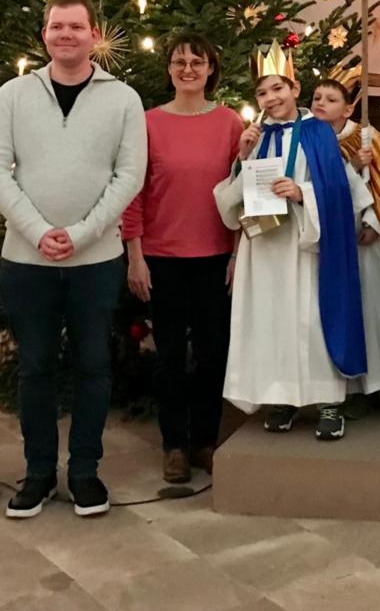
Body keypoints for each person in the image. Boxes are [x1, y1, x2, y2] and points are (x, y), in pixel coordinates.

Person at [0, 0, 148, 519]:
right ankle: (37, 473)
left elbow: (130, 175)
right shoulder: (12, 94)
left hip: (95, 261)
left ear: (94, 35)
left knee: (94, 366)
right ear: (45, 35)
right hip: (26, 261)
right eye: (57, 27)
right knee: (35, 370)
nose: (66, 35)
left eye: (77, 26)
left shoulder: (123, 98)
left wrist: (82, 233)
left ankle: (84, 473)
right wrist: (36, 230)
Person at [217, 41, 376, 442]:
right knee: (272, 318)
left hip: (306, 246)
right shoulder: (254, 135)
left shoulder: (319, 134)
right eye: (262, 92)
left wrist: (304, 192)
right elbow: (232, 194)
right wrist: (242, 156)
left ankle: (327, 402)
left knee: (309, 320)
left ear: (295, 88)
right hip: (265, 246)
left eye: (278, 88)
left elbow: (344, 192)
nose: (271, 99)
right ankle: (282, 396)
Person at [120, 34, 243, 486]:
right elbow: (132, 194)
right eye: (179, 61)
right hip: (162, 257)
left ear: (212, 69)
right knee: (169, 356)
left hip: (215, 258)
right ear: (169, 69)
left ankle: (205, 442)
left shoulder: (231, 123)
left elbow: (242, 192)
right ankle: (173, 445)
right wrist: (135, 256)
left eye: (197, 61)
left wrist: (237, 253)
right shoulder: (148, 123)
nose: (188, 68)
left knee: (213, 355)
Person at [309, 65, 380, 407]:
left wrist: (375, 222)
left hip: (365, 242)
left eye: (331, 98)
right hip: (331, 241)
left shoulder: (366, 138)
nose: (321, 103)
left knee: (373, 309)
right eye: (317, 97)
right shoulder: (309, 140)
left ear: (348, 109)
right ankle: (349, 389)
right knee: (342, 312)